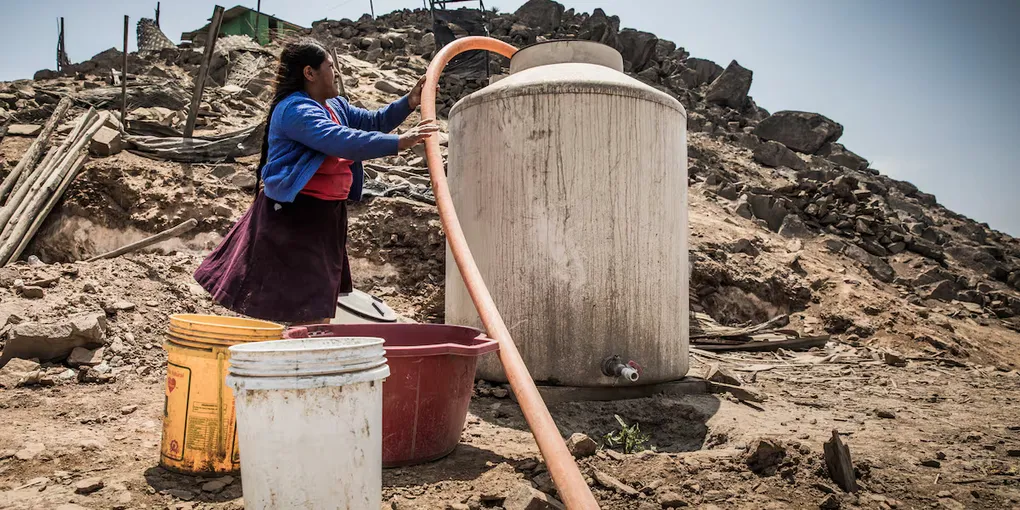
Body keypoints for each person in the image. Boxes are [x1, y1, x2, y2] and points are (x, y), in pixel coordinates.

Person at [194, 39, 439, 324]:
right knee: (300, 301)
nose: (335, 72)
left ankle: (302, 348)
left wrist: (409, 101)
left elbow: (373, 122)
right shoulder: (295, 110)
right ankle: (292, 353)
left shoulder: (334, 105)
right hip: (296, 215)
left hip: (325, 213)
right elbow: (340, 140)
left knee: (315, 299)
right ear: (309, 73)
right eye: (330, 67)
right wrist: (399, 142)